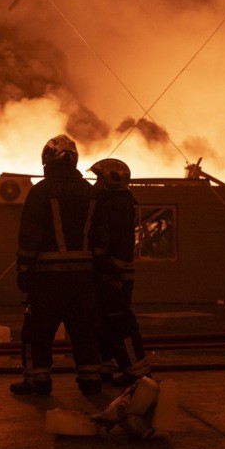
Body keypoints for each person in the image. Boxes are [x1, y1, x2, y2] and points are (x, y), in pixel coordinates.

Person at [10, 134, 104, 396]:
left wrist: (24, 268)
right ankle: (90, 380)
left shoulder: (40, 192)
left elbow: (30, 235)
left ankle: (38, 380)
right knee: (85, 331)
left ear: (48, 159)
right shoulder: (91, 192)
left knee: (37, 332)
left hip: (47, 279)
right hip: (84, 279)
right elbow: (100, 236)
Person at [89, 157, 151, 387]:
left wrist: (112, 273)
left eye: (99, 178)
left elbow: (120, 242)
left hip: (115, 276)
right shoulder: (112, 201)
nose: (95, 184)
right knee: (104, 322)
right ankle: (106, 368)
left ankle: (137, 371)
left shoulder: (117, 203)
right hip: (109, 273)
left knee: (120, 322)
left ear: (111, 180)